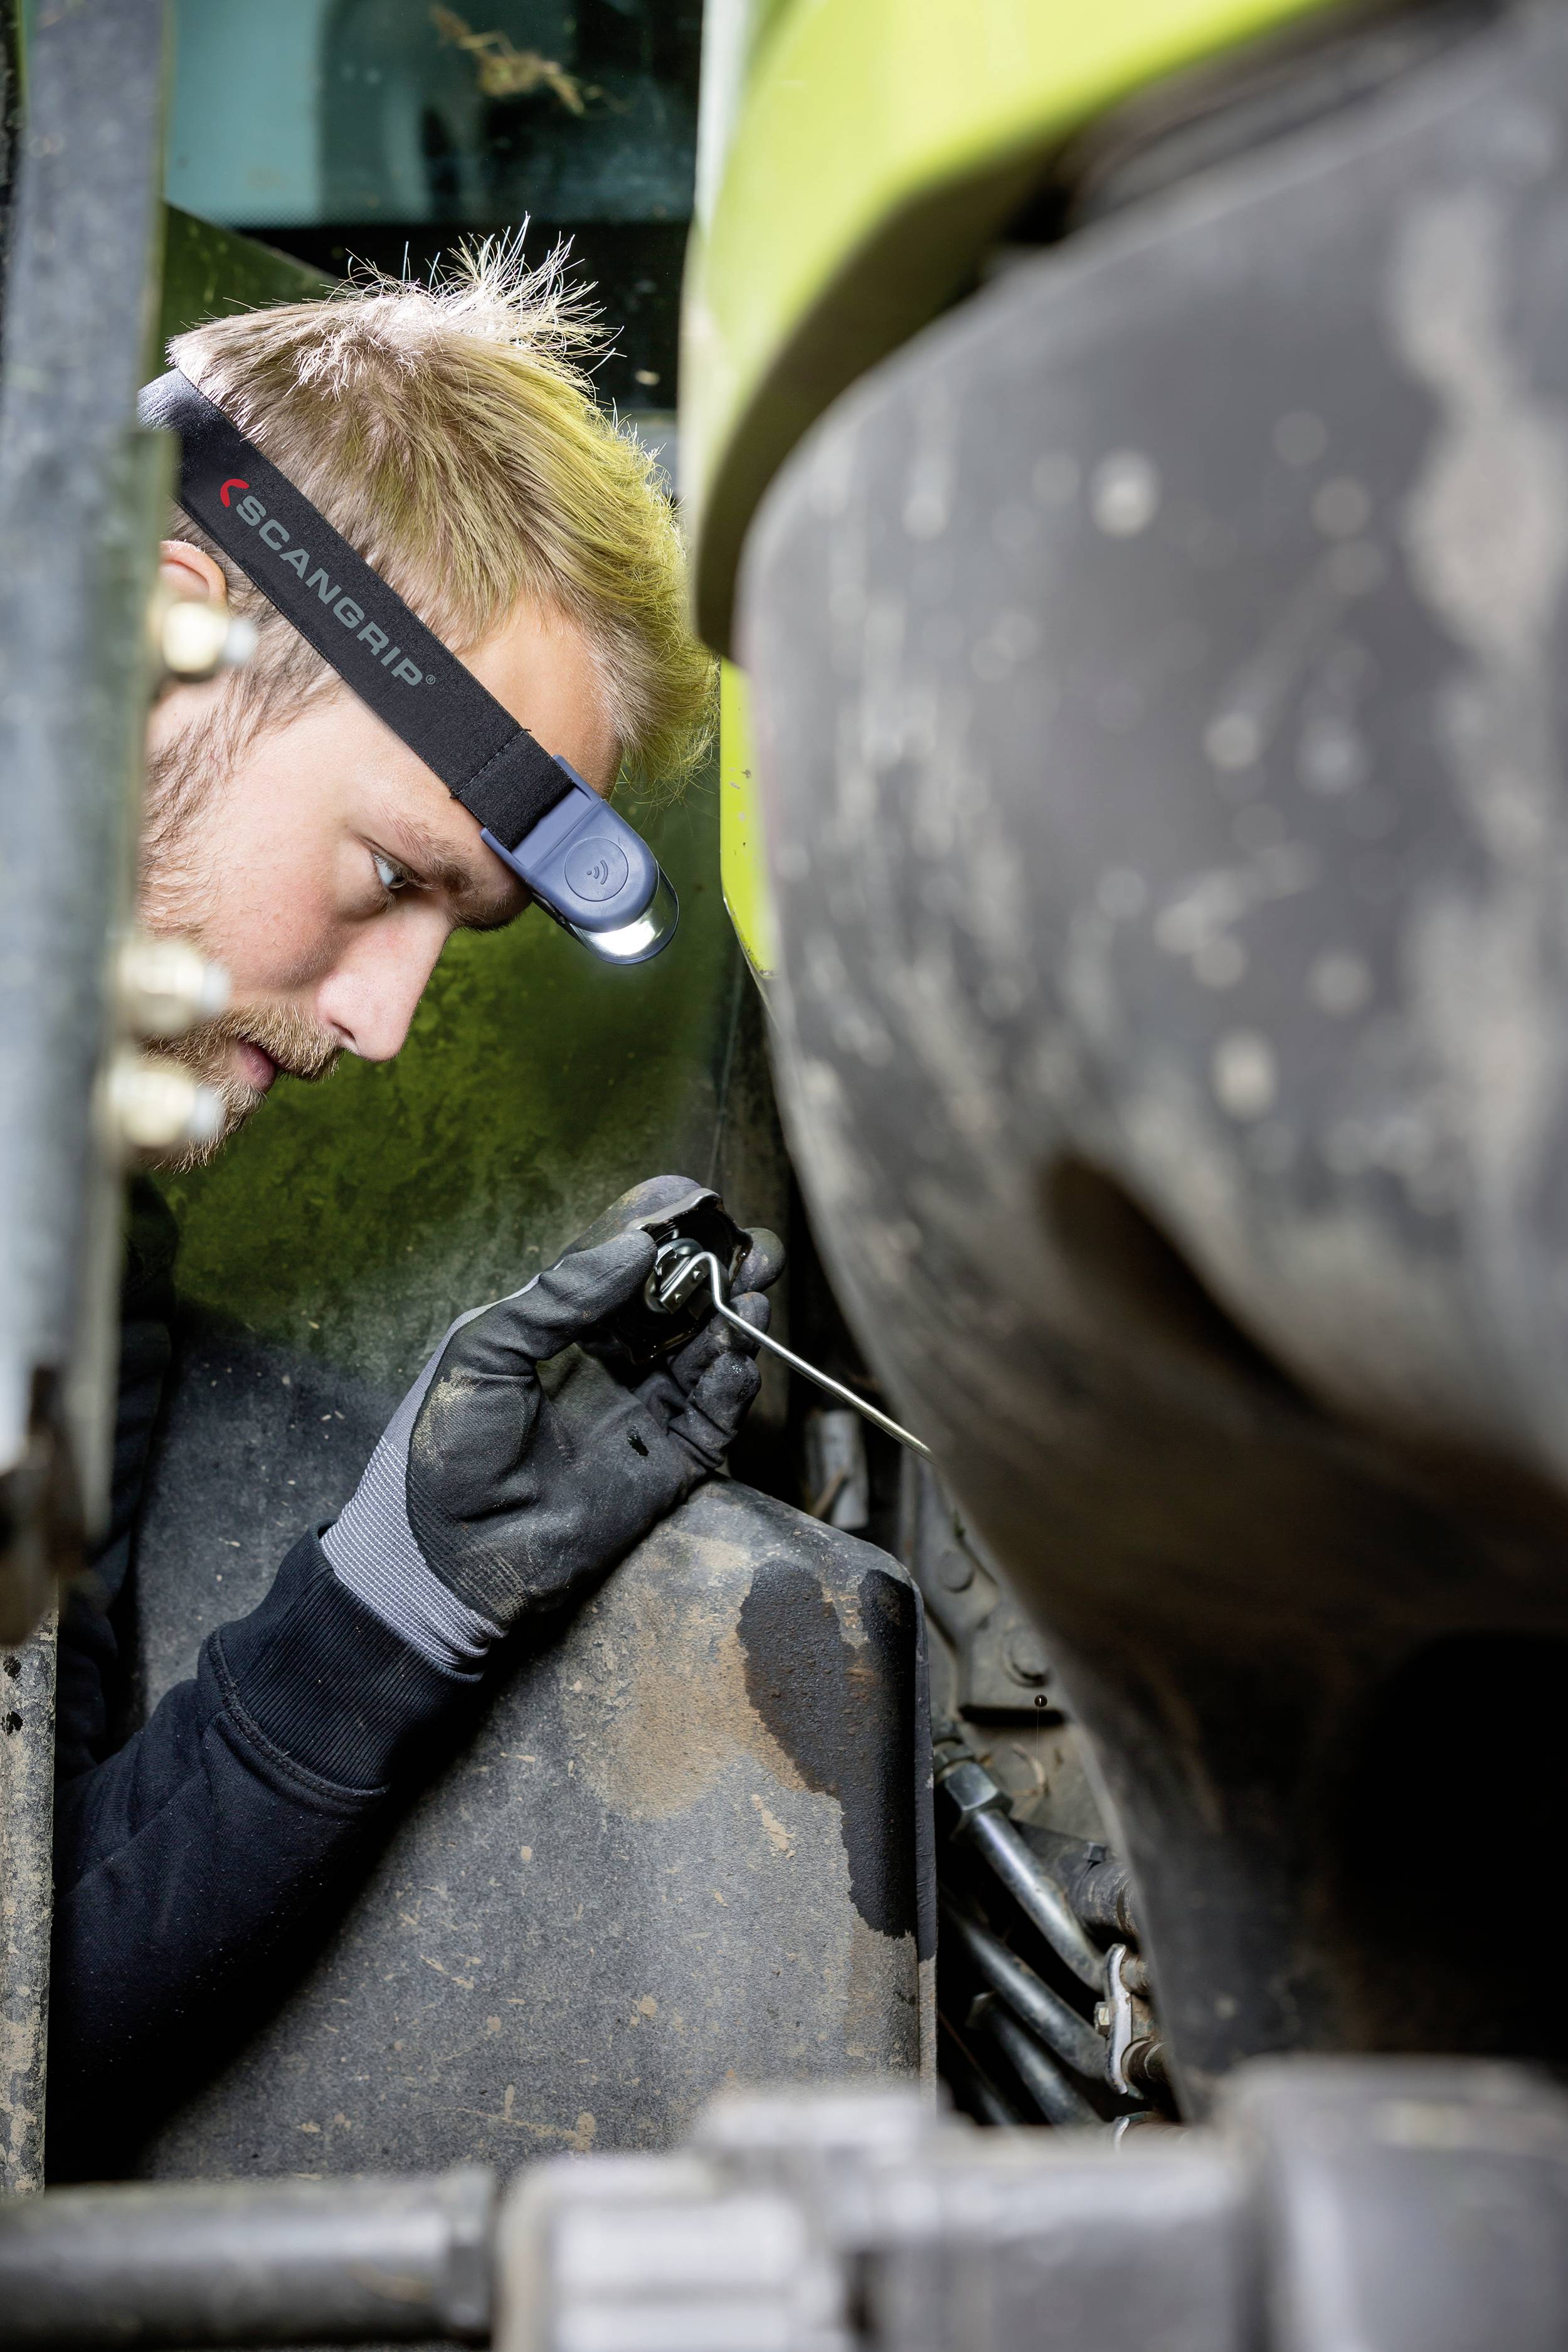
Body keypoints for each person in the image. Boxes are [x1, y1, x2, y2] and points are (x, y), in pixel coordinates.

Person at [48, 250, 778, 2169]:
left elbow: (29, 2030)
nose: (380, 1023)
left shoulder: (83, 1255)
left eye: (453, 932)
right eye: (389, 872)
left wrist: (403, 1595)